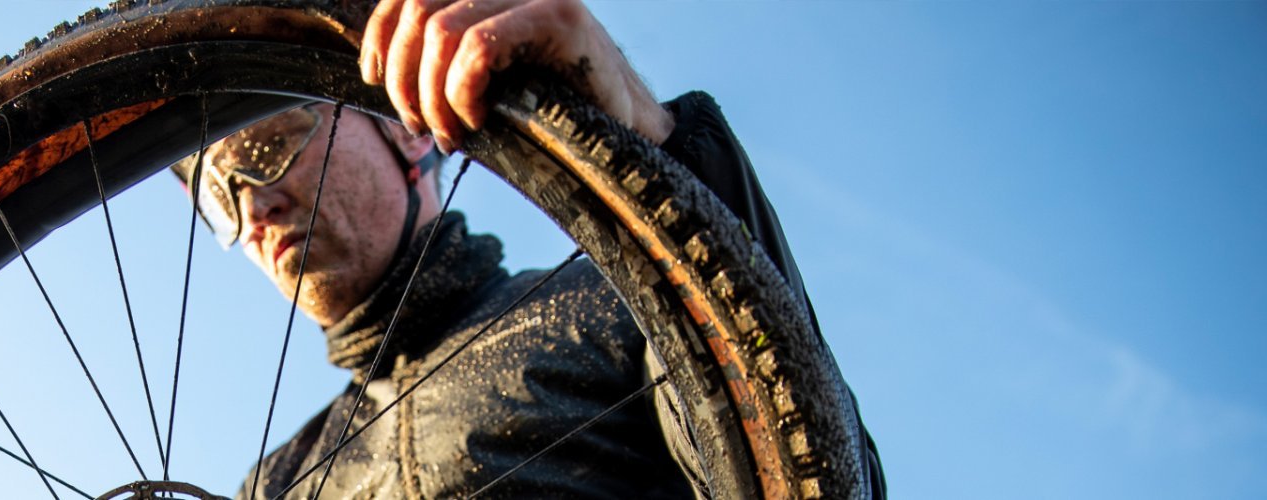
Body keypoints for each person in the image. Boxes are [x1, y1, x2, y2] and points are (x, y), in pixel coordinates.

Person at [174, 0, 886, 498]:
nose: (252, 204)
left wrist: (648, 140)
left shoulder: (613, 312)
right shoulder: (275, 483)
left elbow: (812, 466)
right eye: (218, 195)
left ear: (405, 132)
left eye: (263, 148)